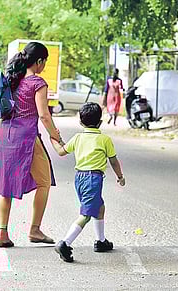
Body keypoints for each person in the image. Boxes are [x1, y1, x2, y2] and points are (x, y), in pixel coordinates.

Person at [0, 42, 62, 248]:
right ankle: (35, 229)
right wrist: (56, 136)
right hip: (27, 138)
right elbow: (44, 116)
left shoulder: (11, 80)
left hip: (6, 136)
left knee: (5, 186)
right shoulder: (37, 82)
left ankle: (2, 233)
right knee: (44, 181)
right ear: (38, 61)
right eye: (44, 61)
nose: (44, 66)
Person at [50, 102, 125, 262]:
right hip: (93, 179)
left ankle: (101, 241)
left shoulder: (78, 138)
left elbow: (61, 150)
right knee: (86, 214)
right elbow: (113, 161)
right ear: (100, 122)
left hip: (80, 178)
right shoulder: (104, 139)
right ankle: (65, 243)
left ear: (80, 122)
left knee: (99, 208)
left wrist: (54, 139)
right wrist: (120, 176)